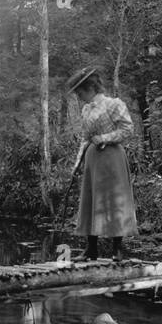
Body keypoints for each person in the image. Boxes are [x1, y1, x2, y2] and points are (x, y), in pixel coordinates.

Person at [65, 65, 138, 260]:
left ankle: (117, 249)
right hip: (93, 159)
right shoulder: (86, 109)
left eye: (79, 91)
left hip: (112, 157)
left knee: (116, 199)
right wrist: (77, 163)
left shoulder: (114, 104)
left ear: (90, 88)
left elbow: (128, 130)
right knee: (90, 200)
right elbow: (85, 138)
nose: (78, 96)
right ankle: (91, 249)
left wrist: (105, 138)